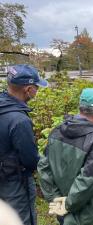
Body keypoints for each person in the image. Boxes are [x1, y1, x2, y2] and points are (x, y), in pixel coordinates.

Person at [38, 88, 93, 225]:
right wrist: (68, 204)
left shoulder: (57, 130)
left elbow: (43, 167)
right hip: (89, 213)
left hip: (63, 209)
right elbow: (88, 181)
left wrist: (56, 199)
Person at [0, 64, 48, 225]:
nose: (38, 90)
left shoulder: (3, 105)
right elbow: (30, 160)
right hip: (14, 183)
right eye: (36, 87)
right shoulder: (19, 120)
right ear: (28, 89)